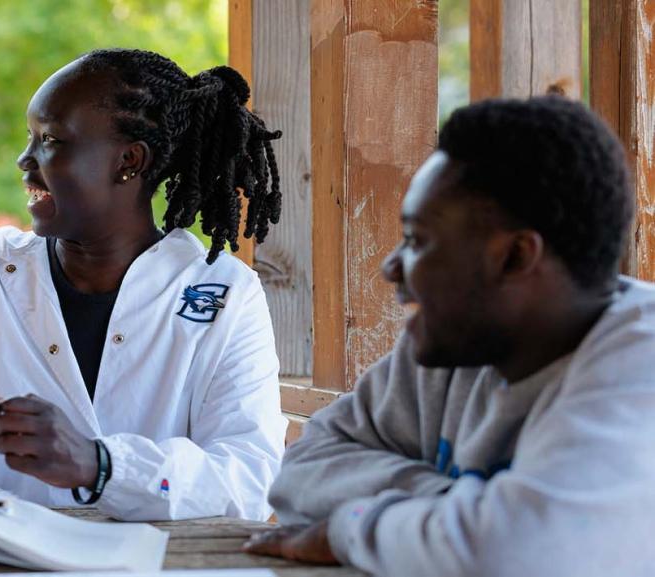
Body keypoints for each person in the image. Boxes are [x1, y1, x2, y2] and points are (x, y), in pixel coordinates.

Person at [0, 48, 288, 521]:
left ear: (128, 160)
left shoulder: (224, 292)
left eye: (51, 140)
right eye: (30, 138)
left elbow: (248, 480)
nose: (25, 160)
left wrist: (100, 466)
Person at [244, 96, 655, 576]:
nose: (391, 266)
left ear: (515, 257)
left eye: (417, 240)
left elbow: (515, 553)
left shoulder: (637, 367)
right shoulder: (453, 349)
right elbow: (299, 476)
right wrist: (457, 508)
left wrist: (351, 527)